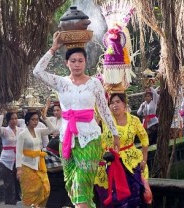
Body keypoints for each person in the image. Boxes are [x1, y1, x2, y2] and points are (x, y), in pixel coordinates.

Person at [33, 31, 120, 208]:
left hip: (90, 139)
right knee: (73, 184)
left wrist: (115, 133)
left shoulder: (95, 83)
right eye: (73, 61)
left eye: (80, 60)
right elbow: (37, 71)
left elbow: (103, 109)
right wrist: (53, 48)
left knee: (81, 183)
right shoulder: (61, 82)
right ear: (67, 63)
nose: (77, 64)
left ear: (85, 62)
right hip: (67, 140)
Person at [94, 93, 149, 207]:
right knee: (116, 197)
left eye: (118, 102)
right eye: (112, 103)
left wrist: (144, 160)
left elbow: (144, 140)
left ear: (124, 104)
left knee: (135, 192)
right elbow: (96, 106)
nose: (115, 105)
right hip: (110, 162)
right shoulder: (106, 120)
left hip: (131, 162)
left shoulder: (134, 120)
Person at [16, 111, 55, 207]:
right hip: (27, 165)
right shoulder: (22, 134)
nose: (35, 122)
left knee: (45, 187)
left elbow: (52, 129)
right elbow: (18, 152)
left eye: (37, 119)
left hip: (39, 163)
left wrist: (45, 118)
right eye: (33, 119)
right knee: (30, 191)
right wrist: (19, 169)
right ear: (27, 121)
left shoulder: (38, 131)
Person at [0, 109, 24, 205]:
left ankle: (18, 202)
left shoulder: (20, 130)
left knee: (18, 184)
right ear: (8, 120)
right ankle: (9, 204)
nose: (14, 121)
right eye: (12, 119)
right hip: (6, 161)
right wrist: (2, 115)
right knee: (9, 185)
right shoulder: (5, 131)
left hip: (18, 160)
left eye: (16, 118)